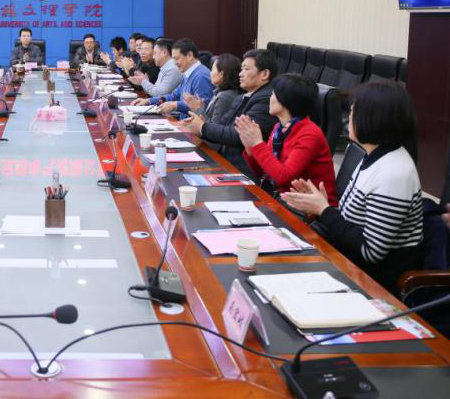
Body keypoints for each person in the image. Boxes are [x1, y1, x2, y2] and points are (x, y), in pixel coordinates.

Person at [281, 82, 423, 293]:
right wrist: (319, 206)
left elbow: (370, 252)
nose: (348, 118)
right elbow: (351, 222)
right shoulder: (372, 155)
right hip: (346, 260)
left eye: (353, 111)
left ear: (373, 118)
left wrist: (324, 210)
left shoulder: (394, 173)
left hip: (371, 282)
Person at [236, 73, 336, 203]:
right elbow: (263, 173)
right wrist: (250, 148)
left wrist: (257, 144)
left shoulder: (310, 134)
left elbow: (283, 177)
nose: (270, 98)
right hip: (284, 200)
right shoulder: (279, 128)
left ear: (285, 100)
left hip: (309, 209)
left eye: (273, 94)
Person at [180, 49, 278, 174]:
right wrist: (199, 123)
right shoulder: (242, 97)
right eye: (241, 69)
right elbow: (222, 125)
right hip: (225, 160)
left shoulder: (266, 99)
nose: (240, 74)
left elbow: (238, 136)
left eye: (246, 69)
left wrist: (202, 127)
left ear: (264, 74)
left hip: (241, 169)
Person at [133, 38, 214, 117]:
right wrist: (149, 101)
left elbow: (202, 108)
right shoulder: (187, 73)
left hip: (191, 124)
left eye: (177, 59)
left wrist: (175, 105)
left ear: (189, 55)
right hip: (183, 121)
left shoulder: (201, 76)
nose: (174, 63)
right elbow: (173, 96)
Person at [184, 53, 242, 125]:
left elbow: (214, 127)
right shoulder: (220, 92)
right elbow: (209, 119)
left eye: (212, 69)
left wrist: (197, 109)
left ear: (221, 74)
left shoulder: (225, 97)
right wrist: (200, 111)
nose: (210, 73)